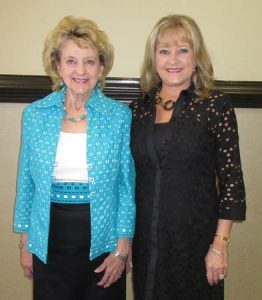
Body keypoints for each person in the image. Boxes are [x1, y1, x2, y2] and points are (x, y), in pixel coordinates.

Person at [14, 16, 135, 300]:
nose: (80, 70)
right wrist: (25, 242)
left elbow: (126, 187)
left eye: (90, 61)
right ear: (57, 65)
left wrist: (122, 246)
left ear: (101, 66)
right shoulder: (35, 115)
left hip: (102, 242)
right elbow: (26, 183)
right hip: (48, 240)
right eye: (71, 61)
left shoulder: (118, 117)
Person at [130, 14, 246, 300]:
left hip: (196, 243)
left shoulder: (215, 106)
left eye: (183, 50)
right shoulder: (137, 109)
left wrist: (219, 246)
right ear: (153, 58)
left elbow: (232, 184)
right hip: (146, 242)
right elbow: (128, 179)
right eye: (164, 51)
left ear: (197, 56)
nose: (173, 60)